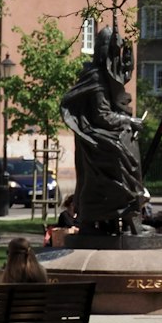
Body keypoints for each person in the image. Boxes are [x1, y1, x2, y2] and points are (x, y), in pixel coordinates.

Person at [60, 25, 148, 235]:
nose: (116, 57)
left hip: (104, 130)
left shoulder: (104, 74)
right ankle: (126, 205)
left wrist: (129, 60)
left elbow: (119, 82)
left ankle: (126, 210)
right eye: (114, 52)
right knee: (124, 153)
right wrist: (131, 122)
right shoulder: (96, 78)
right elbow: (102, 116)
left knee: (128, 145)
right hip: (95, 133)